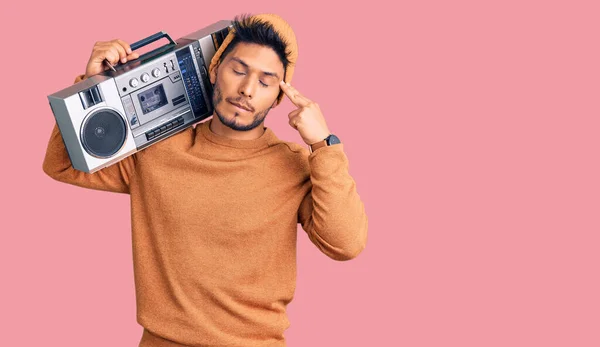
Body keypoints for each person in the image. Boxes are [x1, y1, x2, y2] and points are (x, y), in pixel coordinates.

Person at [43, 13, 368, 347]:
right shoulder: (157, 150)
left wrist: (323, 144)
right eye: (238, 70)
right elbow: (62, 165)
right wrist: (92, 88)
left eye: (266, 81)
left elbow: (345, 243)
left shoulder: (294, 164)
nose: (246, 89)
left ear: (279, 97)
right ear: (214, 70)